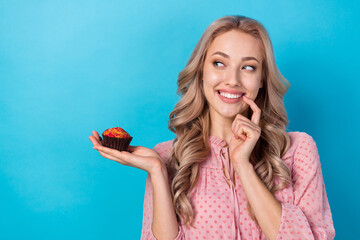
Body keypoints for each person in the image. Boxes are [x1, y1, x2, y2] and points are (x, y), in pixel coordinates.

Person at [89, 15, 335, 240]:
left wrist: (243, 164)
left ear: (262, 79)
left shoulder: (297, 149)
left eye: (248, 67)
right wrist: (157, 171)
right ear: (201, 72)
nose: (232, 80)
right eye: (219, 63)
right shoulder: (167, 156)